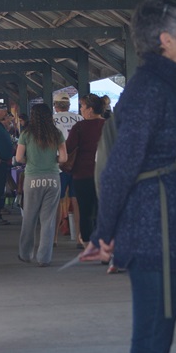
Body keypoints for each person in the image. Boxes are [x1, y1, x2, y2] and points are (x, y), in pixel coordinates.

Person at [79, 0, 176, 353]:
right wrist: (102, 232)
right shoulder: (150, 89)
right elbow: (119, 168)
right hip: (158, 235)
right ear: (166, 40)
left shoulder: (159, 85)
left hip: (162, 231)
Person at [15, 104, 67, 267]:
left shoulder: (26, 134)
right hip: (52, 178)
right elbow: (64, 158)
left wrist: (30, 160)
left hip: (32, 179)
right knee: (48, 220)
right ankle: (44, 257)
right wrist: (53, 160)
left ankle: (25, 253)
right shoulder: (56, 133)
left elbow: (18, 158)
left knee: (29, 218)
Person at [65, 93, 105, 249]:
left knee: (85, 210)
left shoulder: (79, 128)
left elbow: (68, 149)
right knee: (102, 209)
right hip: (104, 174)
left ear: (90, 109)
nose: (80, 109)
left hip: (82, 174)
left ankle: (89, 244)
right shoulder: (109, 126)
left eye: (82, 106)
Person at [53, 91, 83, 244]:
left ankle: (53, 238)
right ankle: (79, 237)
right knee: (77, 201)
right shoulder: (79, 119)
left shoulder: (52, 121)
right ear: (69, 105)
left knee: (56, 202)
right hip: (78, 165)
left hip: (58, 165)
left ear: (55, 106)